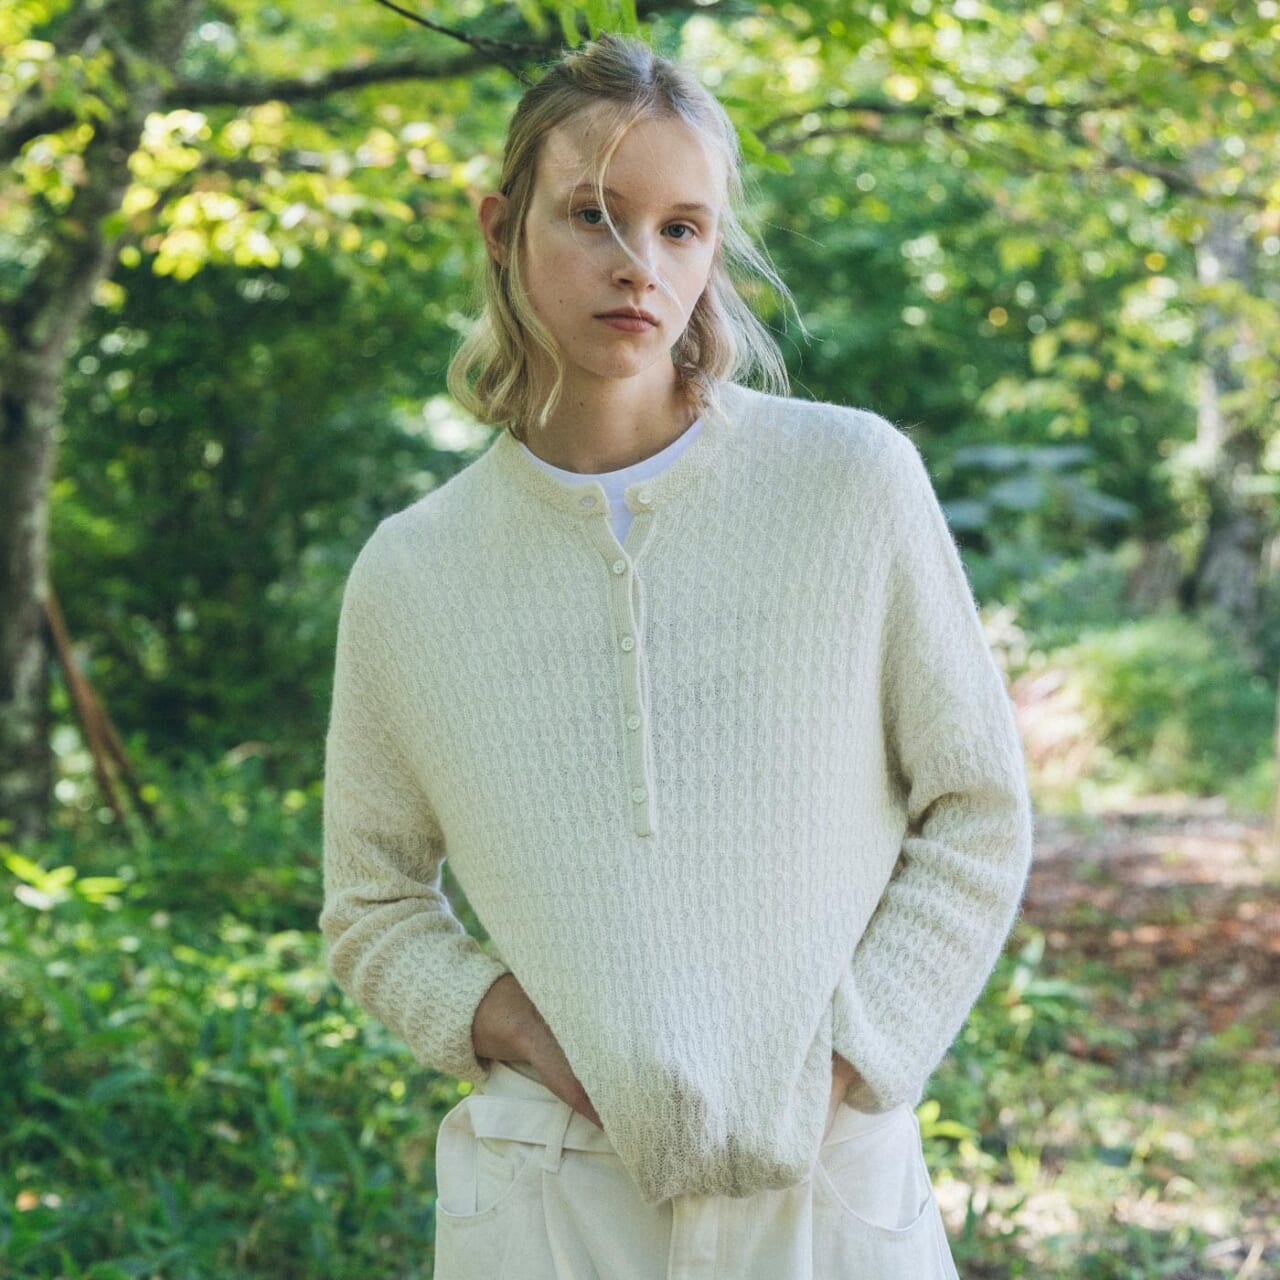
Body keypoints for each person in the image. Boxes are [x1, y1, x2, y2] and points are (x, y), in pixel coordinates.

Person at [318, 30, 1034, 1280]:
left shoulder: (848, 483)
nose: (637, 264)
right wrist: (526, 1035)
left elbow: (975, 806)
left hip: (827, 1183)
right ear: (501, 227)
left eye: (681, 228)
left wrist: (847, 1060)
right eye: (591, 214)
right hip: (550, 1191)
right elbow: (370, 900)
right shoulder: (411, 572)